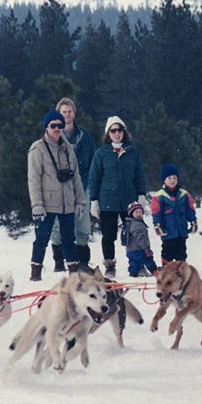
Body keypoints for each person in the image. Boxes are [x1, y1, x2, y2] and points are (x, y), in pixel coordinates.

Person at [27, 109, 86, 282]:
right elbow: (33, 179)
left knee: (69, 239)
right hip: (47, 204)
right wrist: (36, 204)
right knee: (42, 238)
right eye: (53, 125)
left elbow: (76, 176)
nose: (57, 129)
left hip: (67, 202)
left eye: (60, 125)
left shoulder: (68, 148)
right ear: (46, 127)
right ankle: (35, 272)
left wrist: (80, 200)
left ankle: (74, 274)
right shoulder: (37, 149)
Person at [88, 116, 148, 278]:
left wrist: (141, 195)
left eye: (119, 130)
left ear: (124, 132)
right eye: (113, 131)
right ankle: (109, 265)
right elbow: (94, 178)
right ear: (108, 133)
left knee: (135, 232)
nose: (116, 134)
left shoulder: (132, 152)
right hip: (108, 200)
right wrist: (94, 200)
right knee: (108, 235)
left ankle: (139, 264)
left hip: (129, 200)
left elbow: (139, 175)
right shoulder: (101, 153)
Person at [49, 97, 96, 271]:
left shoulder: (85, 137)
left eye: (70, 111)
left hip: (82, 185)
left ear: (74, 113)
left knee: (83, 224)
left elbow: (93, 162)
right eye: (63, 112)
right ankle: (59, 261)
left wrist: (87, 183)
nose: (67, 115)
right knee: (57, 225)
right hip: (58, 187)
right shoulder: (52, 137)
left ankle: (82, 261)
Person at [150, 164, 197, 264]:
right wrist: (157, 225)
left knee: (181, 251)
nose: (172, 180)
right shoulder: (159, 196)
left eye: (175, 178)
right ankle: (166, 270)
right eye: (169, 178)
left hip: (181, 231)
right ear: (164, 180)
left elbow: (190, 209)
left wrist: (193, 221)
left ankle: (182, 269)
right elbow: (156, 212)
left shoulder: (184, 194)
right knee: (167, 252)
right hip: (168, 231)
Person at [121, 201, 159, 277]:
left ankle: (133, 274)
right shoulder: (137, 224)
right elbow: (141, 238)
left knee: (134, 263)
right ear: (131, 214)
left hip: (130, 251)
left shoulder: (128, 223)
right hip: (140, 250)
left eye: (140, 212)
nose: (139, 214)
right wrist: (146, 248)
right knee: (148, 261)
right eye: (136, 212)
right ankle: (156, 272)